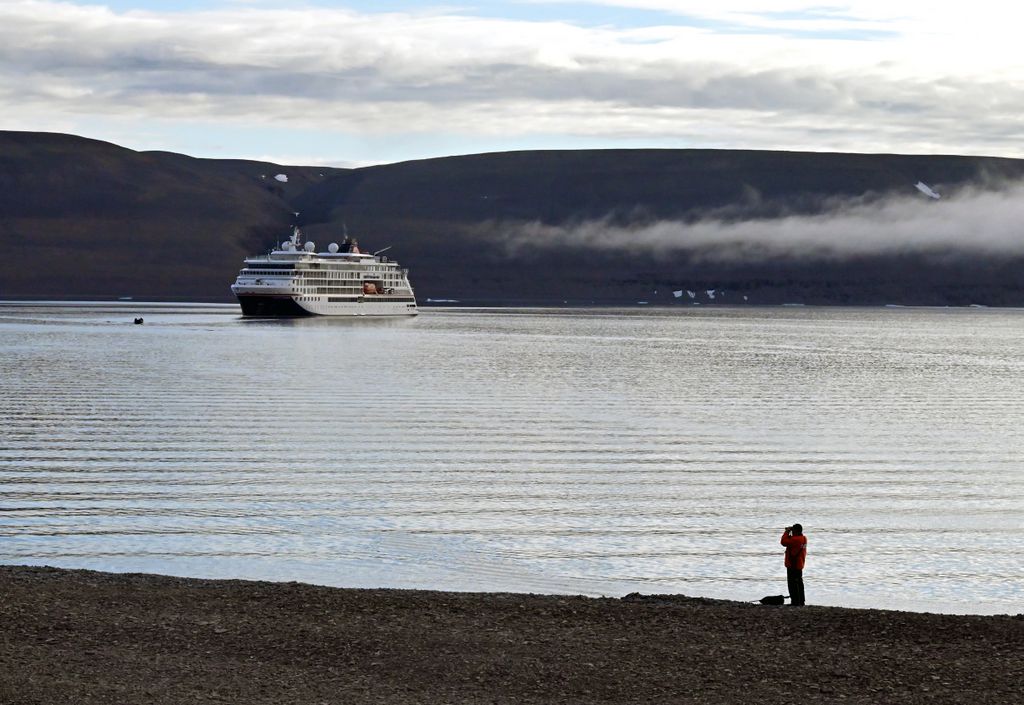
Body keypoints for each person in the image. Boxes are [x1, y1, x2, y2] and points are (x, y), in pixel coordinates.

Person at [781, 524, 807, 606]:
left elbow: (783, 542)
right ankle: (801, 601)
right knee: (799, 583)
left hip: (793, 564)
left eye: (793, 531)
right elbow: (790, 541)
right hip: (799, 564)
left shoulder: (795, 539)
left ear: (796, 531)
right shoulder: (804, 539)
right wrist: (790, 532)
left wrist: (786, 532)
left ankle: (795, 602)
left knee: (792, 584)